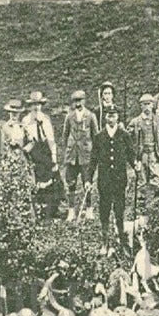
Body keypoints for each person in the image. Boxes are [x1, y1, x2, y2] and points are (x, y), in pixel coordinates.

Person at [88, 104, 135, 255]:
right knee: (104, 210)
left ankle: (122, 240)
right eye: (109, 115)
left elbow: (131, 154)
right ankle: (105, 241)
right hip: (105, 181)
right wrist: (88, 179)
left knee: (120, 210)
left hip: (120, 180)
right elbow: (93, 159)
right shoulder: (99, 137)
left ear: (118, 117)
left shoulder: (124, 135)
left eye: (114, 115)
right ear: (105, 118)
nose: (111, 118)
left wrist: (136, 164)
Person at [23, 90, 61, 218]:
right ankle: (37, 209)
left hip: (45, 151)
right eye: (34, 104)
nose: (36, 107)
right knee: (36, 179)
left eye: (38, 104)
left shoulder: (45, 119)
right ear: (30, 105)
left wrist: (54, 157)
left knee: (51, 178)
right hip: (34, 152)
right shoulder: (26, 120)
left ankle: (51, 210)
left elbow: (51, 139)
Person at [62, 89, 99, 222]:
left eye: (80, 100)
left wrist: (94, 155)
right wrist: (67, 151)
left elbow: (96, 137)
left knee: (87, 182)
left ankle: (89, 209)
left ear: (84, 100)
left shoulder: (90, 116)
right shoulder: (69, 116)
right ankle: (71, 210)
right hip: (72, 155)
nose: (78, 103)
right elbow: (65, 135)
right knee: (70, 182)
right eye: (75, 101)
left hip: (86, 155)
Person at [128, 94, 159, 184]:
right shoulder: (135, 122)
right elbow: (127, 139)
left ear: (152, 105)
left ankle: (155, 197)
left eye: (149, 104)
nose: (147, 106)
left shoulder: (158, 121)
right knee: (141, 181)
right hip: (141, 154)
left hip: (155, 154)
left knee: (158, 181)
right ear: (141, 106)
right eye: (145, 104)